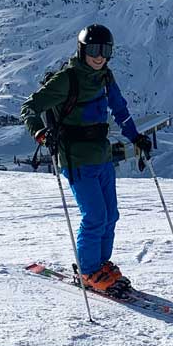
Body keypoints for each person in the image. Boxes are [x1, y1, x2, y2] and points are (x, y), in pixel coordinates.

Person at [22, 24, 152, 294]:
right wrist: (41, 135)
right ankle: (88, 271)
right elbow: (29, 108)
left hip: (102, 155)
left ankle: (102, 265)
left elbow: (119, 109)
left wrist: (135, 137)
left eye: (105, 50)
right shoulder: (67, 79)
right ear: (83, 50)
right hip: (76, 158)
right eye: (94, 49)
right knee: (94, 216)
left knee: (110, 215)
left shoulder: (105, 77)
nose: (99, 56)